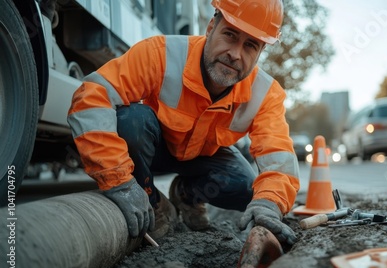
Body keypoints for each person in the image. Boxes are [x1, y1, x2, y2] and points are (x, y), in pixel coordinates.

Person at [67, 0, 300, 245]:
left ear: (260, 52)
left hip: (201, 158)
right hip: (151, 149)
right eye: (230, 35)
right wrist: (119, 182)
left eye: (250, 45)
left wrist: (269, 204)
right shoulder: (161, 54)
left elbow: (279, 157)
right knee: (131, 122)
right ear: (211, 27)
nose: (235, 54)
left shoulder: (265, 94)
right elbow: (92, 96)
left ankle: (186, 196)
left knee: (245, 186)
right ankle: (152, 202)